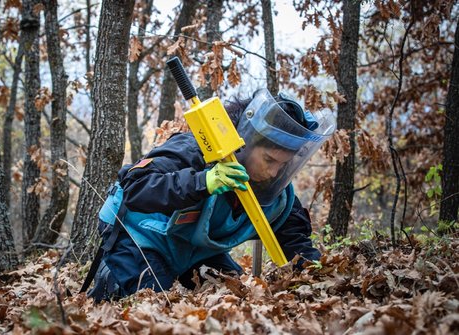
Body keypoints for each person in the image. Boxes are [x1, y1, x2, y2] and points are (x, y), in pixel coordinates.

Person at [85, 89, 336, 302]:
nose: (273, 172)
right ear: (246, 143)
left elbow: (294, 239)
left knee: (236, 296)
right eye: (269, 159)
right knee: (155, 301)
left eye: (283, 165)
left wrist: (315, 279)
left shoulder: (278, 195)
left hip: (194, 247)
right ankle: (111, 277)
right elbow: (136, 188)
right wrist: (203, 181)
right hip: (139, 234)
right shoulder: (193, 149)